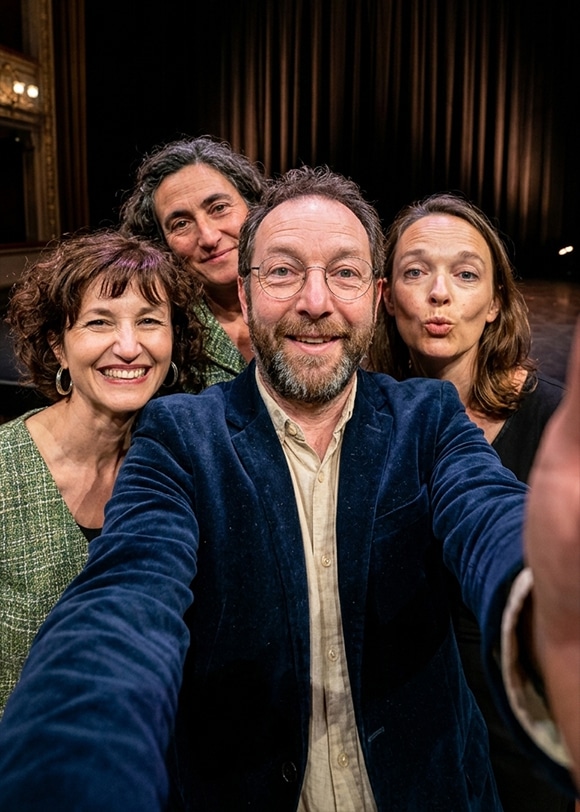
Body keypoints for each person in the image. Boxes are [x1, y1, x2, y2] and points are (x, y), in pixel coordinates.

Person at [0, 167, 578, 811]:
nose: (316, 301)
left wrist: (550, 601)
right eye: (282, 272)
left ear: (375, 297)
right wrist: (74, 768)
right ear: (244, 296)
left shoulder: (429, 418)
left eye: (344, 273)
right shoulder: (180, 436)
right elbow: (126, 595)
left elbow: (488, 514)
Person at [366, 192, 572, 811]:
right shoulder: (364, 419)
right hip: (409, 733)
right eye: (415, 272)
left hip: (523, 731)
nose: (439, 294)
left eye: (465, 274)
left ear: (496, 302)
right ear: (386, 297)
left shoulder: (556, 420)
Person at [0, 229, 205, 715]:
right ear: (57, 345)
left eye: (149, 321)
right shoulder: (5, 469)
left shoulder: (185, 460)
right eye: (99, 322)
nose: (129, 347)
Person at [119, 134, 267, 387]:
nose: (209, 237)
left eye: (219, 208)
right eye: (181, 224)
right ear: (160, 243)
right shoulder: (159, 330)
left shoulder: (311, 298)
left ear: (253, 207)